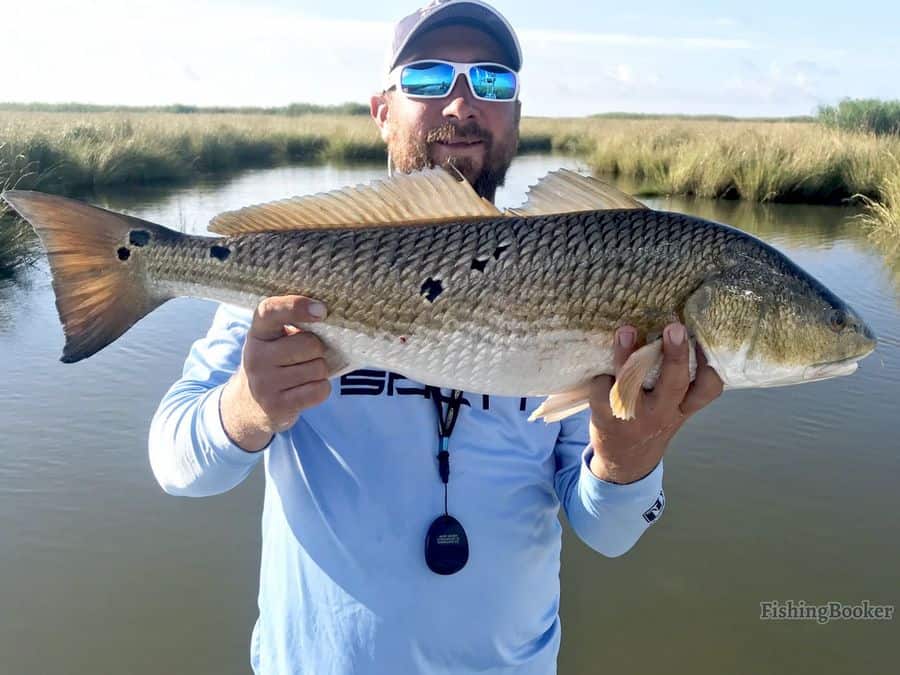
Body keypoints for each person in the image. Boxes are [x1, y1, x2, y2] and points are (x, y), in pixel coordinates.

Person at [148, 1, 723, 673]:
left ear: (515, 115)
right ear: (381, 108)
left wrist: (629, 463)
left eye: (492, 82)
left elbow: (608, 532)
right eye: (426, 78)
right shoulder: (295, 273)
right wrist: (245, 407)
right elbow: (174, 462)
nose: (461, 102)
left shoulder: (586, 270)